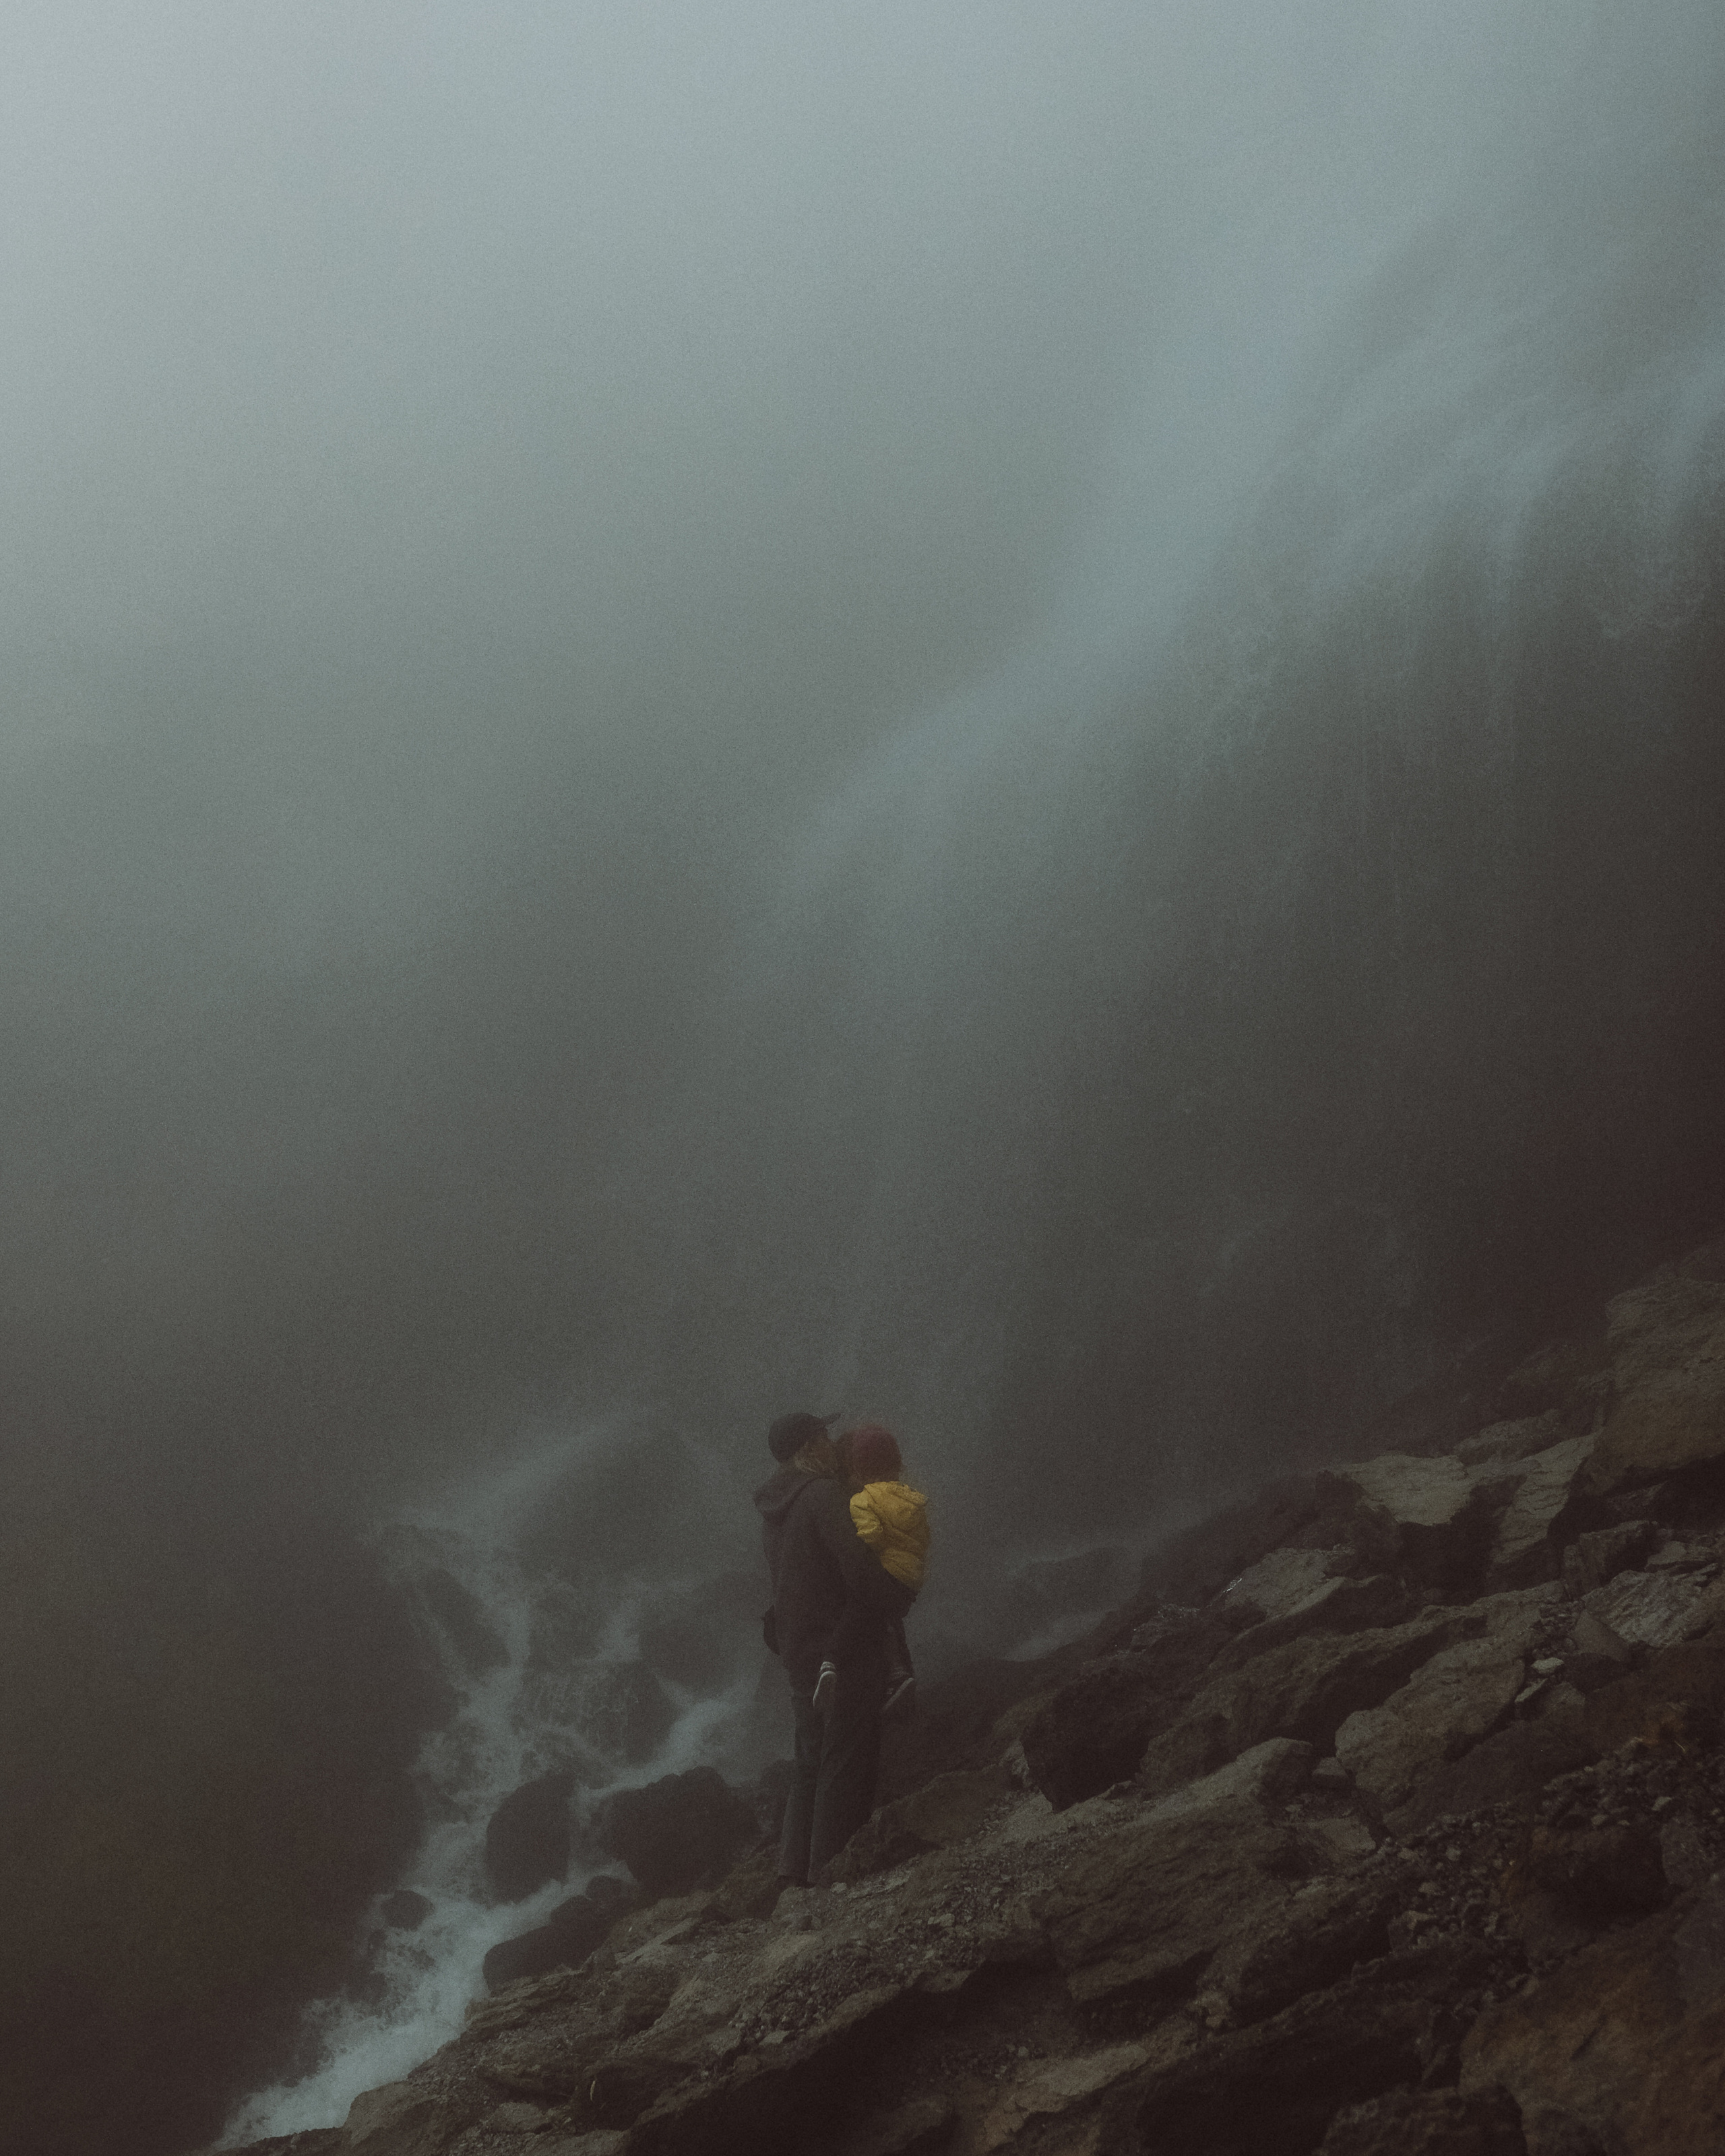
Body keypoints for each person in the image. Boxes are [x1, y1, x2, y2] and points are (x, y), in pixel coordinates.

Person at [755, 1409, 900, 1884]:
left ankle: (791, 1873)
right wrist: (897, 1589)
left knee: (810, 1764)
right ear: (808, 1449)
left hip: (800, 1654)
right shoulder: (821, 1496)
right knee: (845, 1761)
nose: (831, 1443)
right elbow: (859, 1572)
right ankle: (829, 1874)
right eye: (823, 1436)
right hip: (841, 1653)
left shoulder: (776, 1508)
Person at [840, 1421, 926, 1719]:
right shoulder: (907, 1497)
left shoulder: (861, 1502)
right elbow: (923, 1538)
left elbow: (871, 1539)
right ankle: (900, 1677)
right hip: (909, 1579)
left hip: (885, 1578)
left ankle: (833, 1662)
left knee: (863, 1616)